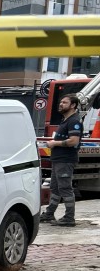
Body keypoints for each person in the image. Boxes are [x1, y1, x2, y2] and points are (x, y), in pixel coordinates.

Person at [41, 94, 83, 227]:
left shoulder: (74, 121)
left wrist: (55, 143)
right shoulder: (66, 120)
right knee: (55, 188)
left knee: (65, 188)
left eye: (64, 103)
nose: (61, 104)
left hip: (65, 160)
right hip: (59, 160)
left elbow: (74, 141)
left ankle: (69, 218)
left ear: (73, 105)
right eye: (61, 102)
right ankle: (49, 213)